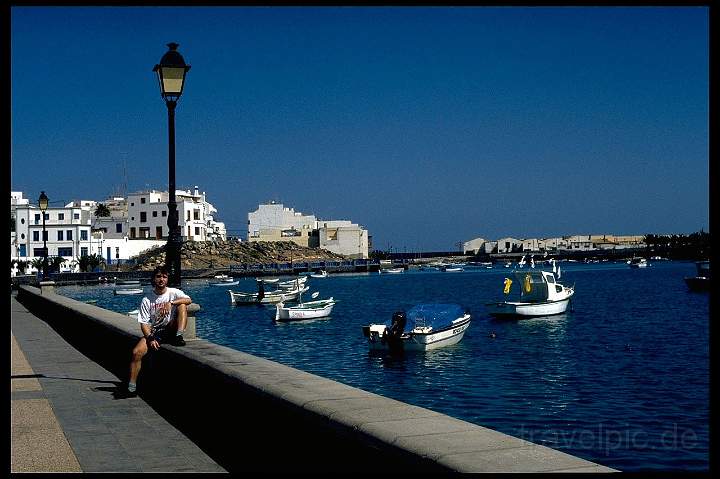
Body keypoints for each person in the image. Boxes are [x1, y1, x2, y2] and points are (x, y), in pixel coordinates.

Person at [125, 266, 191, 396]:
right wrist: (150, 338)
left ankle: (179, 336)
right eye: (158, 276)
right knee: (136, 352)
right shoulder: (147, 299)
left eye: (164, 277)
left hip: (171, 327)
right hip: (156, 331)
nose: (161, 279)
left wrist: (171, 303)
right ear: (154, 279)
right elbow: (143, 323)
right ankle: (131, 386)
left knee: (182, 305)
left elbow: (189, 300)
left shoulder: (173, 292)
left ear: (167, 279)